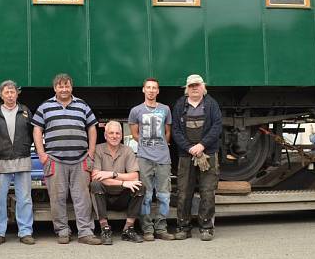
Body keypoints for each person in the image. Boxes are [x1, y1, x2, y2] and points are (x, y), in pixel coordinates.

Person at [32, 73, 102, 245]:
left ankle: (85, 232)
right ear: (55, 88)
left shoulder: (82, 105)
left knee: (83, 198)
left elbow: (92, 128)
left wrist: (91, 152)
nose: (64, 89)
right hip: (54, 160)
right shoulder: (45, 106)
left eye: (67, 85)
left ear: (71, 87)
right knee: (57, 198)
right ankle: (62, 231)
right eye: (60, 86)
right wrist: (42, 154)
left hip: (80, 159)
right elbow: (37, 130)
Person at [172, 74, 223, 241]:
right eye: (191, 86)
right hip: (186, 155)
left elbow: (217, 127)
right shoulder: (180, 105)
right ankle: (183, 227)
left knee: (207, 191)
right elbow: (176, 131)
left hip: (207, 154)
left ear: (203, 87)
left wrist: (202, 145)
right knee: (184, 192)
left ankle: (206, 227)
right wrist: (189, 147)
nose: (194, 88)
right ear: (187, 89)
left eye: (197, 85)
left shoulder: (211, 104)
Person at [0, 80, 36, 245]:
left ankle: (25, 231)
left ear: (17, 93)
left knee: (24, 197)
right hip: (1, 158)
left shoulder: (25, 111)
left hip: (22, 157)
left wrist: (25, 146)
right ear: (1, 94)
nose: (10, 95)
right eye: (6, 92)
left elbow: (33, 133)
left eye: (12, 92)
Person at [128, 78, 173, 241]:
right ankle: (147, 228)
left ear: (158, 91)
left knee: (164, 195)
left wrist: (161, 145)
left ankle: (161, 227)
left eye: (154, 88)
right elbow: (134, 133)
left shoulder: (165, 109)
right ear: (143, 90)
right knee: (145, 195)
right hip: (144, 158)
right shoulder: (136, 110)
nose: (151, 90)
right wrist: (147, 146)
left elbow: (168, 132)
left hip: (163, 158)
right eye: (148, 87)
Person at [91, 121, 145, 244]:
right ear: (105, 135)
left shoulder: (127, 150)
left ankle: (128, 228)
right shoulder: (98, 149)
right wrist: (123, 182)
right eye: (111, 133)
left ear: (121, 135)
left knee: (140, 186)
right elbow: (95, 177)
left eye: (117, 133)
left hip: (122, 198)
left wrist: (112, 174)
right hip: (103, 197)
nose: (114, 136)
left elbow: (135, 176)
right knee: (95, 184)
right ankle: (104, 228)